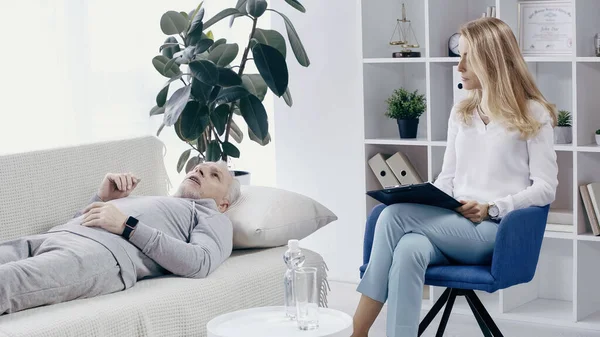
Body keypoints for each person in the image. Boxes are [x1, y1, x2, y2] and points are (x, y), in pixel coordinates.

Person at [351, 17, 559, 337]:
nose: (459, 65)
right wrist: (425, 195)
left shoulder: (533, 113)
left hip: (493, 232)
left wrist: (493, 207)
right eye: (458, 55)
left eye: (467, 57)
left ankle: (358, 333)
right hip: (451, 224)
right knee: (408, 250)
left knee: (392, 216)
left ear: (491, 60)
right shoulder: (461, 111)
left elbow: (546, 188)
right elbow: (447, 177)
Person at [0, 161, 241, 315]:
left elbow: (200, 262)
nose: (199, 170)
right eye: (199, 167)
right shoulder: (160, 200)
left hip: (99, 255)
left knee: (7, 281)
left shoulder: (212, 216)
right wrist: (103, 198)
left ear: (224, 204)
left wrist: (128, 226)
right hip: (58, 233)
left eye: (214, 175)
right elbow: (93, 219)